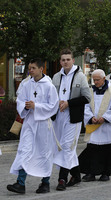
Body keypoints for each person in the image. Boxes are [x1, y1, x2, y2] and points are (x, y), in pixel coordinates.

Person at [7, 59, 59, 194]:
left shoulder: (49, 86)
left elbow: (53, 106)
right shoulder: (26, 84)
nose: (30, 70)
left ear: (41, 69)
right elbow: (20, 100)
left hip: (43, 124)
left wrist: (36, 106)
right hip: (30, 122)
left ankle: (45, 182)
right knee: (25, 150)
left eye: (33, 68)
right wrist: (24, 105)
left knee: (44, 152)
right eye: (29, 68)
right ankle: (20, 183)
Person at [52, 49, 91, 190]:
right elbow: (51, 96)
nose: (65, 62)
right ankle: (76, 175)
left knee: (67, 146)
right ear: (60, 61)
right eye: (63, 60)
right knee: (64, 147)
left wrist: (69, 102)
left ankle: (62, 178)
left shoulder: (80, 77)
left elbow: (87, 97)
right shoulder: (56, 77)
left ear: (73, 60)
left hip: (73, 117)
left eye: (68, 59)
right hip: (58, 117)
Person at [78, 69, 111, 182]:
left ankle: (106, 172)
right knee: (94, 150)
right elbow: (86, 106)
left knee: (109, 150)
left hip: (108, 126)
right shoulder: (91, 91)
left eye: (97, 80)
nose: (95, 82)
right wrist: (91, 117)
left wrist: (105, 118)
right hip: (95, 126)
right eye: (94, 80)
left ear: (104, 79)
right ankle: (92, 172)